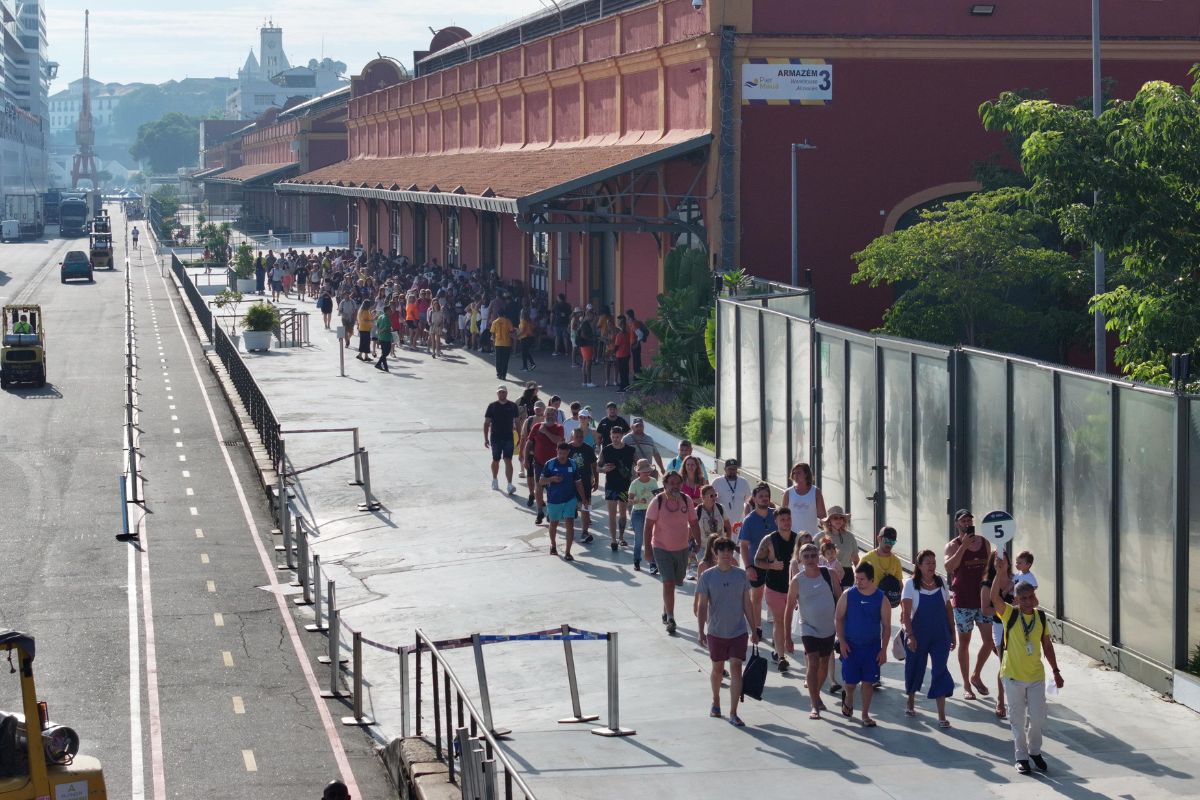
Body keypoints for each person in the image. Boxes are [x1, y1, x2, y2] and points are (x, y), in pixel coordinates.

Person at [990, 558, 1064, 775]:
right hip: (1013, 676)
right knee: (1018, 719)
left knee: (1038, 718)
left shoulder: (1040, 617)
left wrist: (1056, 671)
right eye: (1023, 598)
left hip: (1036, 676)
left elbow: (1047, 646)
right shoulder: (1010, 614)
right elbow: (994, 598)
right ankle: (1021, 757)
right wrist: (999, 573)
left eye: (1031, 597)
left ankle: (1034, 751)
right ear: (1016, 599)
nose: (1028, 601)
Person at [696, 538, 760, 728]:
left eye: (729, 551)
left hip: (738, 631)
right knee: (717, 669)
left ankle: (733, 712)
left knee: (736, 669)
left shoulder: (741, 575)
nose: (726, 554)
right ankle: (716, 701)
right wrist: (700, 631)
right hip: (716, 631)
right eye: (722, 550)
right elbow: (702, 605)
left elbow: (747, 604)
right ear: (715, 553)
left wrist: (754, 629)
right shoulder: (707, 576)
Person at [785, 541, 842, 719]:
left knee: (824, 664)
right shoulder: (797, 581)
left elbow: (841, 600)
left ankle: (816, 695)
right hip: (808, 627)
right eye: (806, 556)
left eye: (813, 555)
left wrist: (844, 628)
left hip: (828, 628)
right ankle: (814, 705)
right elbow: (789, 609)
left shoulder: (829, 574)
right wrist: (787, 637)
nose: (810, 559)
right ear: (800, 559)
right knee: (813, 662)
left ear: (819, 557)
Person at [944, 509, 995, 700]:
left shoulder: (984, 542)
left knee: (989, 641)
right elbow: (949, 567)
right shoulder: (952, 545)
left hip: (982, 600)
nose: (967, 523)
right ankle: (966, 685)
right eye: (963, 521)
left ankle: (976, 675)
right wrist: (963, 547)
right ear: (957, 524)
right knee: (964, 642)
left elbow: (990, 568)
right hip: (963, 601)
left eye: (969, 520)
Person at [901, 549, 956, 727]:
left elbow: (948, 608)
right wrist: (910, 636)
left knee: (940, 670)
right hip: (918, 635)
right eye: (928, 563)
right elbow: (905, 614)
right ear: (919, 566)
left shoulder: (941, 582)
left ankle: (942, 716)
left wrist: (952, 632)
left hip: (941, 635)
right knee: (914, 667)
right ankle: (910, 701)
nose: (932, 566)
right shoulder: (910, 585)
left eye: (933, 562)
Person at [644, 470, 700, 635]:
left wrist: (698, 542)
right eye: (671, 483)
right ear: (665, 484)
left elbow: (694, 522)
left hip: (682, 548)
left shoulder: (686, 500)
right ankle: (671, 618)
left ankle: (665, 610)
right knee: (668, 582)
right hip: (661, 548)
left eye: (678, 483)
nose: (675, 486)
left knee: (675, 582)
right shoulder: (657, 501)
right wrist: (647, 550)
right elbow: (648, 527)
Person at [835, 562, 890, 728]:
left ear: (872, 580)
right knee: (850, 683)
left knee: (868, 682)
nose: (857, 582)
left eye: (861, 579)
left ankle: (865, 715)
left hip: (872, 648)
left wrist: (883, 650)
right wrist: (842, 642)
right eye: (856, 578)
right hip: (851, 646)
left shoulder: (881, 598)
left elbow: (886, 626)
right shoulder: (848, 595)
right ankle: (848, 698)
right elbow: (838, 618)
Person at [754, 506, 799, 671]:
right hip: (774, 588)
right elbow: (757, 560)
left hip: (793, 589)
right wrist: (771, 565)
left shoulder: (798, 539)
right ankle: (781, 657)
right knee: (779, 621)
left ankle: (778, 647)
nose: (786, 522)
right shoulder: (769, 540)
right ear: (776, 521)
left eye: (788, 519)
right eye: (782, 520)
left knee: (787, 623)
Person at [738, 484, 776, 636]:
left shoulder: (776, 515)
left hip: (775, 564)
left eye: (766, 496)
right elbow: (743, 546)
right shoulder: (749, 520)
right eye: (761, 496)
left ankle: (777, 630)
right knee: (757, 597)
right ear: (754, 499)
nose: (764, 498)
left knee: (776, 597)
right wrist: (748, 567)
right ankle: (757, 628)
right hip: (756, 564)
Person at [541, 442, 585, 561]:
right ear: (557, 451)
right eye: (560, 453)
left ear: (568, 453)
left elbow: (578, 482)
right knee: (554, 523)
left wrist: (584, 499)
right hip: (554, 500)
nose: (562, 456)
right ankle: (553, 545)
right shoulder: (550, 464)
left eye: (564, 453)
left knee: (569, 524)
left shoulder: (573, 464)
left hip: (570, 499)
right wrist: (552, 479)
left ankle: (568, 552)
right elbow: (541, 481)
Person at [528, 400, 564, 525]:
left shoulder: (559, 428)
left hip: (554, 464)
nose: (549, 416)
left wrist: (545, 432)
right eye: (548, 414)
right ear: (544, 415)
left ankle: (550, 512)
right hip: (538, 463)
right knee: (538, 488)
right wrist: (525, 458)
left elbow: (558, 441)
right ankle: (539, 512)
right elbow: (529, 442)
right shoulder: (536, 427)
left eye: (552, 414)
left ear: (556, 416)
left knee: (552, 489)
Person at [598, 425, 635, 547]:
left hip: (625, 485)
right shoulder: (606, 450)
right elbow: (597, 466)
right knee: (612, 514)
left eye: (617, 437)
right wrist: (603, 469)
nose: (615, 439)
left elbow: (638, 464)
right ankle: (613, 540)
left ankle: (621, 537)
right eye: (613, 437)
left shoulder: (630, 450)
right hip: (611, 486)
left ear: (622, 436)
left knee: (623, 513)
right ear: (610, 436)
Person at [484, 386, 520, 494]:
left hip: (508, 436)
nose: (502, 394)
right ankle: (495, 479)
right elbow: (486, 423)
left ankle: (509, 484)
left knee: (508, 459)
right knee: (496, 459)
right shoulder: (492, 406)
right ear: (497, 394)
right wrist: (486, 438)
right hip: (495, 437)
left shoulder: (513, 406)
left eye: (503, 392)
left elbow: (517, 422)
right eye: (500, 392)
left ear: (507, 393)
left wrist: (520, 436)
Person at [567, 427, 598, 544]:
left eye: (581, 437)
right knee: (570, 510)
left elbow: (594, 465)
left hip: (585, 483)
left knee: (586, 508)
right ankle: (570, 532)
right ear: (572, 437)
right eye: (577, 437)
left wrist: (596, 480)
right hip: (570, 484)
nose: (579, 439)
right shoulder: (567, 448)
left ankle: (585, 532)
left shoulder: (588, 449)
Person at [627, 458, 659, 571]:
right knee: (639, 539)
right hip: (638, 512)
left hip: (651, 512)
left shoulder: (653, 481)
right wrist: (637, 500)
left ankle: (652, 563)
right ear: (638, 472)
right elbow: (630, 500)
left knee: (652, 538)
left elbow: (657, 495)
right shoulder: (634, 483)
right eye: (644, 471)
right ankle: (637, 560)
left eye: (648, 470)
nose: (646, 473)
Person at [780, 463, 826, 539]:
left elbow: (822, 515)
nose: (795, 475)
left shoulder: (816, 492)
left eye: (799, 473)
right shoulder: (788, 493)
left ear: (806, 474)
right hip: (792, 537)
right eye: (794, 473)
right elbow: (782, 516)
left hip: (811, 537)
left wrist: (826, 534)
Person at [819, 507, 859, 587]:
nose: (839, 520)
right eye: (835, 518)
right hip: (826, 575)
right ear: (829, 520)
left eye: (841, 518)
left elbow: (855, 558)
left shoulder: (850, 536)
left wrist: (859, 575)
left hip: (847, 574)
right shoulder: (820, 536)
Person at [491, 310, 515, 380]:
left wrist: (494, 340)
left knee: (498, 359)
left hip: (498, 343)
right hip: (506, 343)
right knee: (505, 360)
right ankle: (503, 375)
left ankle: (499, 374)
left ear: (498, 314)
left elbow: (492, 332)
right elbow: (511, 331)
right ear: (504, 314)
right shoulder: (508, 321)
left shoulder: (495, 322)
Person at [612, 316, 632, 392]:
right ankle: (626, 385)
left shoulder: (619, 335)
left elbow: (616, 346)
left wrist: (613, 352)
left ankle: (623, 387)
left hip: (620, 355)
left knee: (622, 372)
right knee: (626, 371)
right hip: (627, 354)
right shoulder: (628, 334)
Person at [373, 306, 393, 371]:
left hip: (381, 337)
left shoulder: (380, 316)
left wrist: (379, 332)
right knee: (386, 352)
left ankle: (385, 367)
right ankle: (378, 364)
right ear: (387, 311)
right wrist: (388, 330)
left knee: (384, 353)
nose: (391, 311)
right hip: (386, 337)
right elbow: (386, 328)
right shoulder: (386, 318)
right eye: (390, 310)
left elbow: (377, 325)